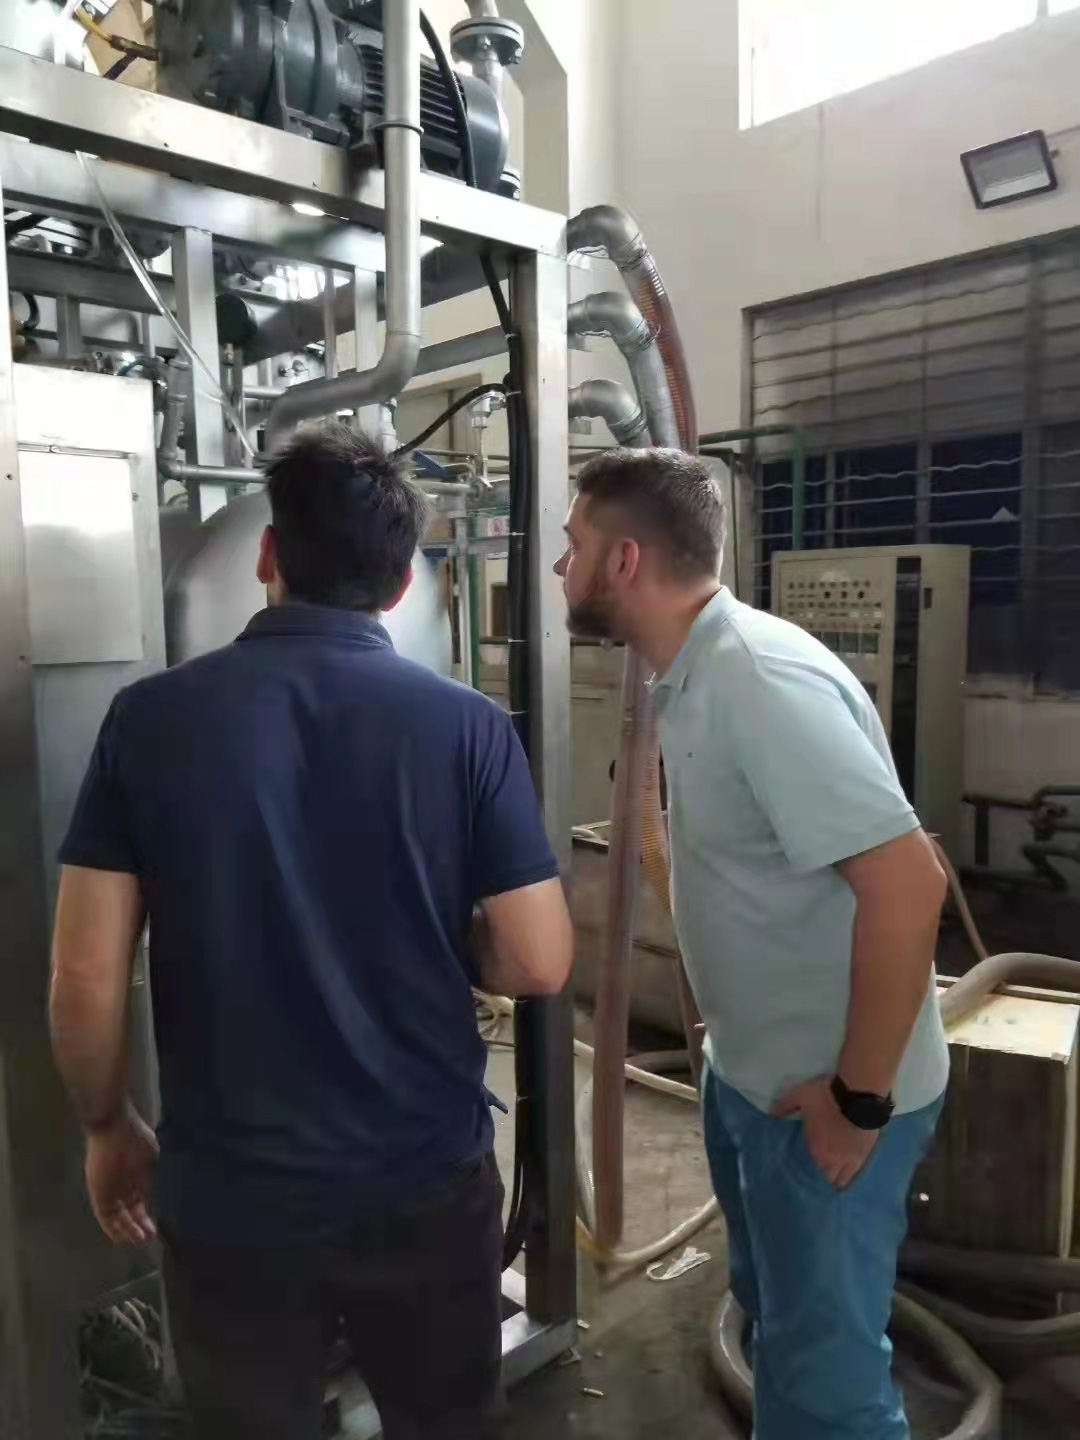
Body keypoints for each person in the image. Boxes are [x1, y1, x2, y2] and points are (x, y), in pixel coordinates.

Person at [50, 423, 573, 1440]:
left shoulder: (145, 720)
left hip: (232, 1194)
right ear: (400, 585)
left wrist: (109, 1127)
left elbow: (85, 974)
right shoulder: (466, 726)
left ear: (266, 556)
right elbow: (540, 957)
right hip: (423, 1181)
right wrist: (447, 935)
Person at [555, 447, 949, 1440]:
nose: (561, 565)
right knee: (782, 1326)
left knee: (829, 1392)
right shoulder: (694, 673)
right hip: (755, 1077)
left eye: (573, 544)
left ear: (626, 561)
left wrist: (859, 1103)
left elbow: (910, 886)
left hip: (828, 1097)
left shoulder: (759, 679)